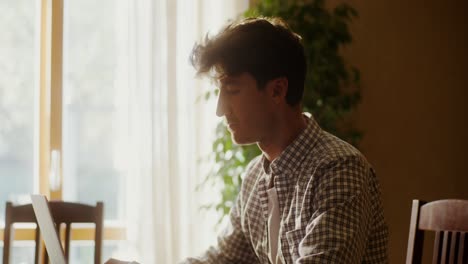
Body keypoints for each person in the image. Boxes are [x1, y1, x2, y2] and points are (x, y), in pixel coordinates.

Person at [182, 17, 389, 263]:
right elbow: (221, 259)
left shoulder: (339, 168)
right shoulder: (254, 177)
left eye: (232, 90)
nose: (220, 109)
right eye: (220, 91)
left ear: (277, 90)